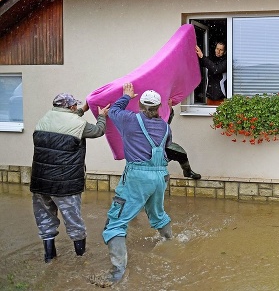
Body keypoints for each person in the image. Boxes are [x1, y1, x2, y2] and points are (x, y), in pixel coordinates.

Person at [100, 83, 173, 286]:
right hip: (161, 177)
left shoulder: (130, 120)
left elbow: (113, 111)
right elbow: (166, 148)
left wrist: (126, 96)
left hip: (137, 177)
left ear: (140, 105)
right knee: (158, 214)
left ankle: (117, 273)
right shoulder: (166, 126)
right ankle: (170, 242)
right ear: (159, 108)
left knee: (116, 222)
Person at [31, 93, 110, 263]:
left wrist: (82, 110)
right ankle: (81, 260)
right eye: (75, 106)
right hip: (64, 184)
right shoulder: (78, 124)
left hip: (40, 183)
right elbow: (98, 131)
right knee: (74, 222)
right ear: (71, 107)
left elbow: (66, 122)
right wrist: (102, 117)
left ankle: (49, 258)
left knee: (45, 220)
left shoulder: (44, 119)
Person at [166, 99, 201, 179]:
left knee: (180, 153)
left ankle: (188, 172)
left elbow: (166, 121)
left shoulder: (159, 117)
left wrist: (169, 108)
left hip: (162, 144)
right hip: (146, 147)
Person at [195, 41, 227, 106]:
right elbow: (199, 62)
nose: (218, 51)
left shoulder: (226, 61)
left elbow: (216, 69)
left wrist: (202, 57)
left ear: (224, 51)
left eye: (221, 50)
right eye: (217, 49)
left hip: (221, 97)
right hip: (210, 96)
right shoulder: (211, 59)